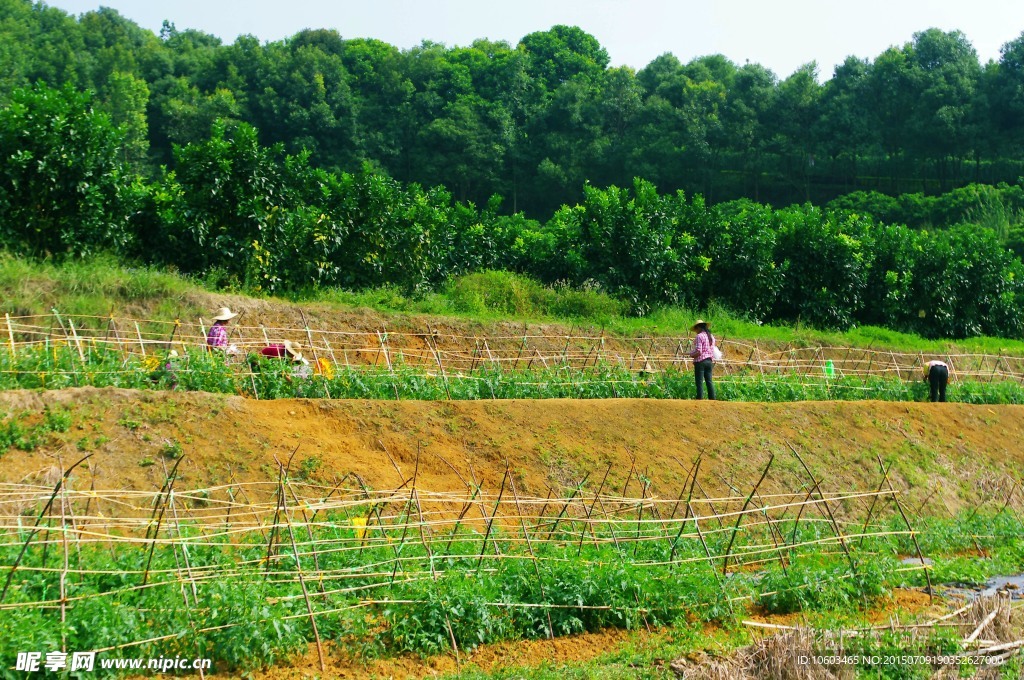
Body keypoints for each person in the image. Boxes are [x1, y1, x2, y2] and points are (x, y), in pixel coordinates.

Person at [689, 319, 717, 400]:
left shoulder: (699, 336)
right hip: (709, 361)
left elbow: (699, 351)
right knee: (709, 381)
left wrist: (691, 355)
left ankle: (699, 399)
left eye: (696, 329)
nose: (696, 331)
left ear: (698, 328)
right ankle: (712, 399)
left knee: (699, 382)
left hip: (700, 362)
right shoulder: (711, 336)